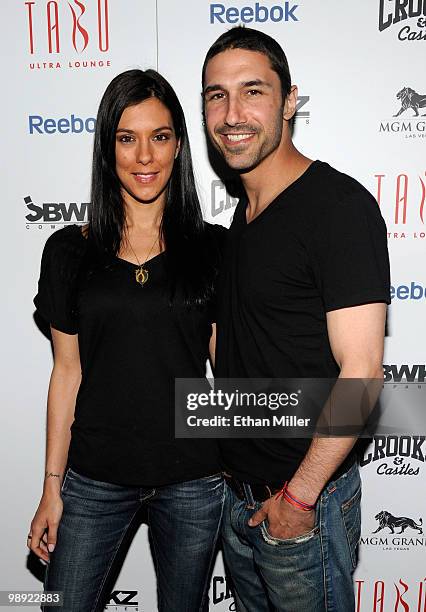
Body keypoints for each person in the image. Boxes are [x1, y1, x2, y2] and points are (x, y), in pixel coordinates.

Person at [202, 27, 390, 611]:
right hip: (240, 501)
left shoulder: (337, 207)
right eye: (216, 95)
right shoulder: (242, 218)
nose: (232, 113)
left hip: (303, 509)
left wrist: (299, 500)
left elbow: (362, 376)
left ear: (289, 101)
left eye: (252, 91)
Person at [28, 69, 225, 612]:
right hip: (93, 477)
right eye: (127, 137)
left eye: (160, 137)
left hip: (193, 481)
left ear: (179, 145)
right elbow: (67, 372)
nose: (144, 156)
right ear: (107, 146)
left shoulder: (213, 249)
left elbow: (227, 369)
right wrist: (52, 487)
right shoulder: (69, 251)